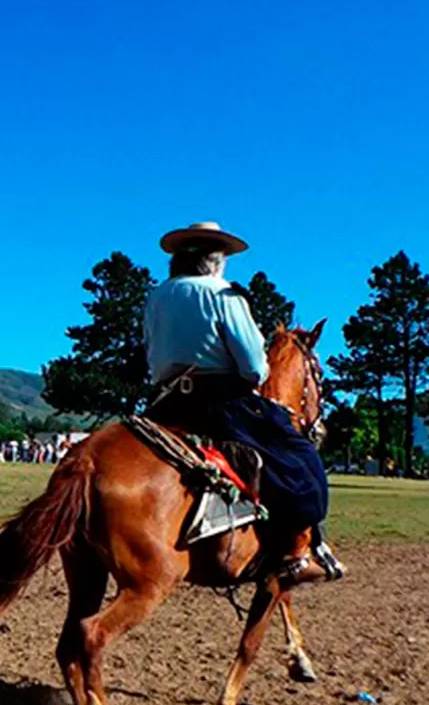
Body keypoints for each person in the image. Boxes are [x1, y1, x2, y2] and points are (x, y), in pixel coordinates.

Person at [142, 221, 343, 581]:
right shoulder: (224, 295)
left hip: (166, 401)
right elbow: (253, 366)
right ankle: (296, 555)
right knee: (301, 461)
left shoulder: (156, 296)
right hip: (220, 402)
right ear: (216, 261)